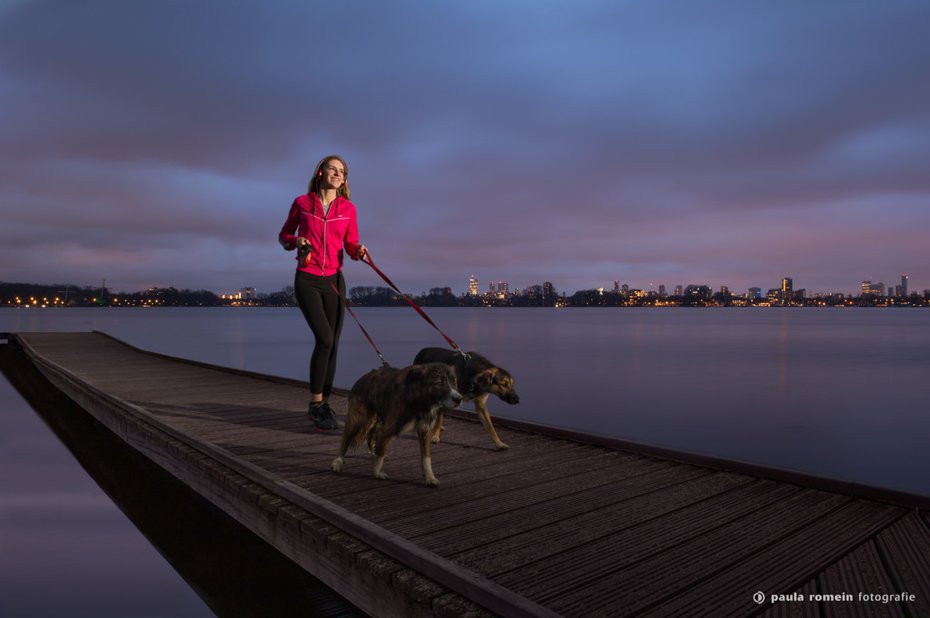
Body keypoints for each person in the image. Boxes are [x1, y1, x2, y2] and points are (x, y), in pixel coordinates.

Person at [278, 155, 368, 430]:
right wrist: (296, 241)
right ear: (320, 172)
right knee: (325, 339)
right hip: (307, 278)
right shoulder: (302, 203)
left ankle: (324, 403)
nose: (338, 174)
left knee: (333, 344)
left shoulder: (348, 209)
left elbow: (350, 243)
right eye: (333, 168)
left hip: (334, 281)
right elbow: (283, 235)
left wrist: (358, 251)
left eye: (343, 171)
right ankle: (315, 403)